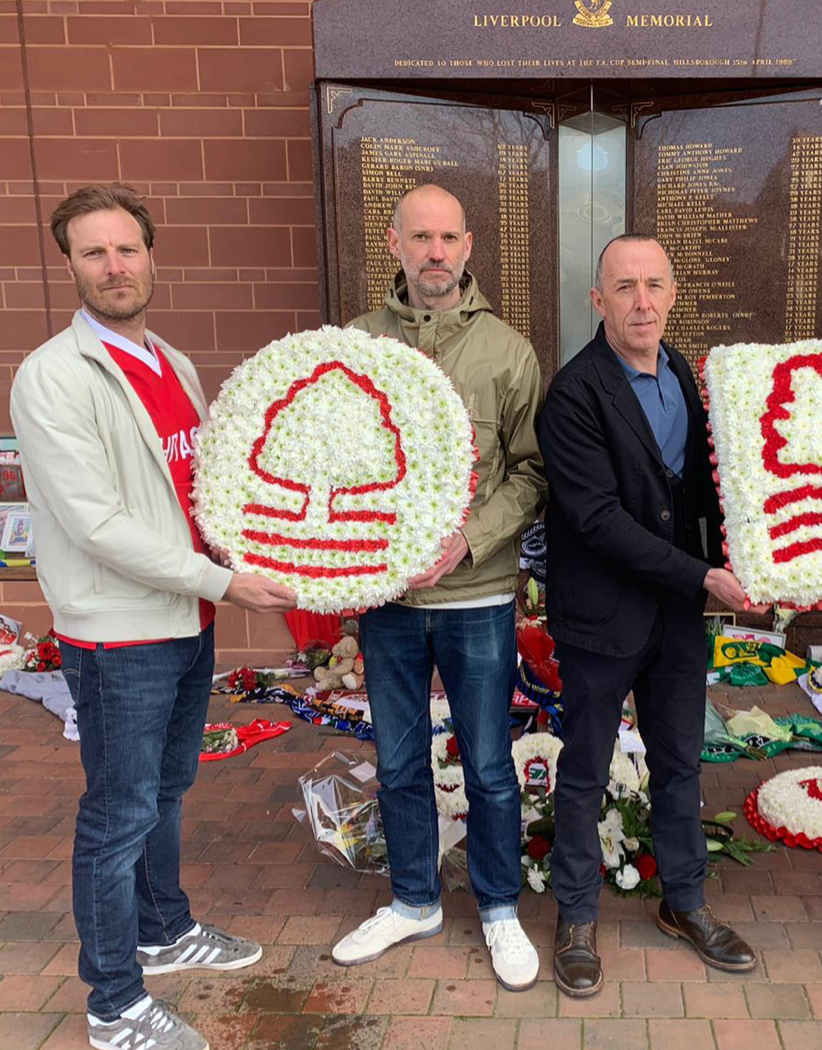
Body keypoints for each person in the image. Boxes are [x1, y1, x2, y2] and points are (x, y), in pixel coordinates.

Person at [10, 183, 298, 1050]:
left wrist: (260, 553)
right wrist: (223, 583)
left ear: (151, 255)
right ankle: (114, 1004)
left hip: (183, 619)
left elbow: (202, 492)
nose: (115, 266)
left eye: (127, 248)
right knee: (117, 813)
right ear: (69, 264)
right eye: (94, 252)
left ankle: (163, 930)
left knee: (168, 791)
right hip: (120, 631)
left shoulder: (172, 362)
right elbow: (98, 524)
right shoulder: (52, 377)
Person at [331, 184, 547, 991]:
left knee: (489, 763)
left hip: (478, 598)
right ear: (393, 242)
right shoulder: (354, 342)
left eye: (448, 237)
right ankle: (415, 898)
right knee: (395, 762)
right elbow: (336, 465)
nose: (435, 252)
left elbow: (532, 473)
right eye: (419, 236)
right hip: (387, 604)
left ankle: (497, 907)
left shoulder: (507, 351)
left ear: (467, 246)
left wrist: (467, 539)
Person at [537, 233, 758, 997]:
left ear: (671, 295)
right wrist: (703, 576)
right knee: (586, 769)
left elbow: (700, 493)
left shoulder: (685, 380)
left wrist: (755, 554)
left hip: (677, 618)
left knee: (679, 764)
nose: (641, 301)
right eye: (624, 287)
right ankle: (575, 917)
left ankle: (685, 903)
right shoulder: (572, 394)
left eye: (654, 285)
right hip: (602, 619)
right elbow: (596, 519)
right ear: (597, 300)